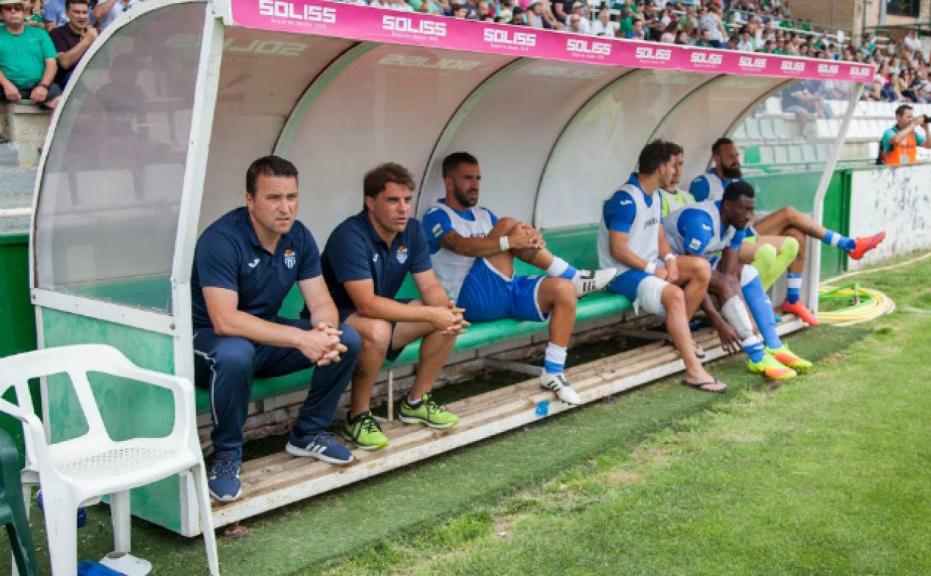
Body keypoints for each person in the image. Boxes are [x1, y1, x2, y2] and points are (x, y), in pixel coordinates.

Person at [192, 156, 362, 502]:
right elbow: (225, 320)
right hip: (207, 341)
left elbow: (320, 303)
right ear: (250, 200)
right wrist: (302, 338)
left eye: (292, 197)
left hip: (262, 336)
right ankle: (226, 455)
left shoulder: (298, 236)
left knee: (348, 338)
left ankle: (307, 433)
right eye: (273, 198)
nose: (285, 208)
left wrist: (324, 333)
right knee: (236, 352)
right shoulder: (221, 239)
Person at [422, 152, 616, 405]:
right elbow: (462, 246)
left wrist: (530, 238)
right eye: (467, 178)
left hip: (502, 289)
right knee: (507, 225)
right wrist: (511, 238)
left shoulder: (483, 214)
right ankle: (573, 273)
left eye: (478, 178)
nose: (475, 184)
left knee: (564, 290)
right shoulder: (436, 215)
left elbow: (511, 242)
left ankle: (554, 372)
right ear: (449, 182)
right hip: (468, 300)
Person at [321, 162, 465, 451]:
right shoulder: (349, 235)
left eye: (407, 200)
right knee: (377, 330)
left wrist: (445, 311)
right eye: (392, 200)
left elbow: (430, 287)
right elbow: (366, 303)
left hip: (379, 312)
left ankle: (415, 401)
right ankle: (357, 416)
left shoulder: (411, 231)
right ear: (370, 202)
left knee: (446, 319)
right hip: (335, 318)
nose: (403, 208)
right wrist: (430, 313)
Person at [690, 138, 886, 325]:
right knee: (789, 214)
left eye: (737, 155)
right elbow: (703, 218)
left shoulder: (736, 181)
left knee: (795, 233)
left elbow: (749, 214)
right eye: (730, 157)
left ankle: (793, 299)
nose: (736, 160)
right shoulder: (703, 182)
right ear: (717, 159)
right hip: (725, 242)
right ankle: (848, 244)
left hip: (745, 231)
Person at [599, 140, 725, 393]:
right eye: (673, 166)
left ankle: (680, 339)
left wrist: (668, 259)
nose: (677, 173)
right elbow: (618, 250)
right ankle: (694, 371)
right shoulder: (624, 199)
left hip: (646, 266)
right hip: (620, 273)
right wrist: (652, 269)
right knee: (675, 295)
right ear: (659, 168)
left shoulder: (654, 195)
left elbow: (659, 237)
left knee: (702, 268)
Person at [665, 181, 813, 381]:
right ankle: (757, 356)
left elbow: (730, 274)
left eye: (751, 209)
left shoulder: (737, 224)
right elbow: (698, 278)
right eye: (744, 209)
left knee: (748, 274)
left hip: (696, 266)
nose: (749, 215)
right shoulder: (701, 222)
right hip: (666, 266)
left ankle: (773, 345)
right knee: (718, 280)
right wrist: (718, 322)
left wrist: (745, 313)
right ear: (727, 206)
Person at [0, 0, 61, 113]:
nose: (13, 11)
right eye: (8, 8)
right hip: (5, 85)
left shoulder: (40, 34)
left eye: (17, 8)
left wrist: (43, 86)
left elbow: (51, 63)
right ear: (1, 14)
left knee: (61, 104)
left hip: (38, 84)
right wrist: (6, 84)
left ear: (24, 13)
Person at [48, 0, 96, 89]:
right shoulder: (57, 33)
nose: (81, 16)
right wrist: (87, 40)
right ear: (67, 13)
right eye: (76, 12)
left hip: (93, 77)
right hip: (69, 81)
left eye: (84, 12)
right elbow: (64, 63)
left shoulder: (93, 33)